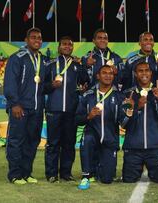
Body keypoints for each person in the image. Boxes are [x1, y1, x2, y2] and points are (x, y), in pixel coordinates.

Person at [43, 36, 89, 183]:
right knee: (53, 143)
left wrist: (83, 68)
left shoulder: (76, 65)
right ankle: (51, 174)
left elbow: (85, 81)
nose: (67, 46)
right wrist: (51, 86)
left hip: (71, 110)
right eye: (64, 44)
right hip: (53, 110)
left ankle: (66, 173)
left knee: (69, 143)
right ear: (59, 46)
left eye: (70, 44)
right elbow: (42, 87)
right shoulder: (50, 64)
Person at [4, 27, 46, 184]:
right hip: (20, 108)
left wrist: (53, 85)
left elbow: (42, 86)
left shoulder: (42, 59)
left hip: (36, 108)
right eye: (34, 37)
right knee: (16, 140)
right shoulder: (17, 58)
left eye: (39, 38)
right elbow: (9, 83)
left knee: (32, 141)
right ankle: (15, 174)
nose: (37, 40)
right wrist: (14, 104)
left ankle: (27, 172)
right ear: (26, 40)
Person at [76, 65, 126, 190]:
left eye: (110, 73)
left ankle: (100, 169)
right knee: (86, 140)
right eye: (104, 73)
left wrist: (129, 111)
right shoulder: (88, 95)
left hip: (110, 138)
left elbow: (123, 122)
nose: (108, 76)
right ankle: (86, 176)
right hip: (91, 135)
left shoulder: (119, 96)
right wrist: (89, 116)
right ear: (98, 76)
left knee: (107, 179)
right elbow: (77, 119)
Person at [121, 61, 158, 183]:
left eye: (146, 70)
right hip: (133, 148)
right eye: (140, 71)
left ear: (151, 73)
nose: (144, 73)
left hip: (156, 147)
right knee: (128, 181)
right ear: (135, 74)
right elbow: (123, 123)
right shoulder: (128, 94)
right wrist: (136, 107)